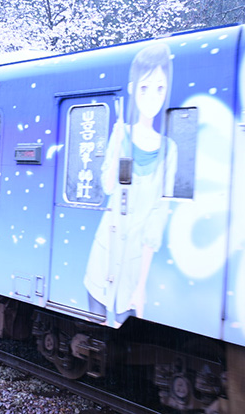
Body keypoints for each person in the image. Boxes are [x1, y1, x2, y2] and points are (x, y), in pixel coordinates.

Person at [84, 43, 178, 325]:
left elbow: (158, 217)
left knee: (123, 319)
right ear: (132, 88)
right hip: (102, 258)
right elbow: (108, 185)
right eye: (145, 88)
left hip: (134, 268)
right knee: (96, 317)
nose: (152, 97)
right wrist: (116, 149)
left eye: (160, 89)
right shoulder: (120, 133)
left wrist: (141, 286)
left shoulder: (169, 149)